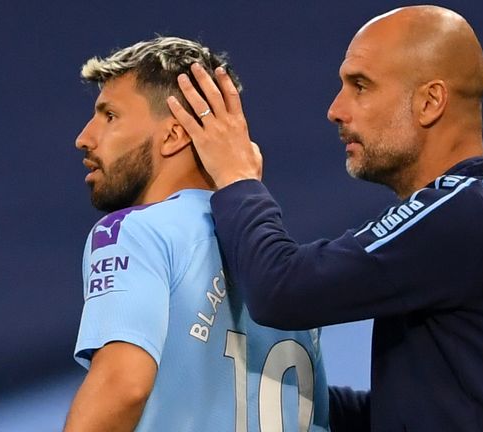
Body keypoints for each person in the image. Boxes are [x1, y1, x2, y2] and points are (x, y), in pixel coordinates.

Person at [166, 5, 483, 432]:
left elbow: (282, 289)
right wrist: (257, 398)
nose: (336, 109)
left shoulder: (467, 212)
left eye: (360, 86)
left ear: (430, 101)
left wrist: (236, 177)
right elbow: (423, 412)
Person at [64, 37, 329, 432]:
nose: (84, 137)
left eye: (110, 116)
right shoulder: (271, 256)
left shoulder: (134, 232)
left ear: (173, 136)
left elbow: (122, 386)